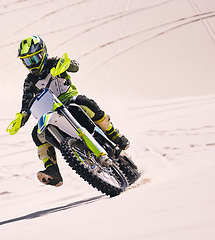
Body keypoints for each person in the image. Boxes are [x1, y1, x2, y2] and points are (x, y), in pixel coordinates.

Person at [8, 35, 130, 187]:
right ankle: (52, 170)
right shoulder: (29, 81)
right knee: (36, 134)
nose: (31, 64)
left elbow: (75, 66)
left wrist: (65, 65)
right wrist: (22, 117)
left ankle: (114, 134)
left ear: (43, 53)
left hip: (69, 100)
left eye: (34, 59)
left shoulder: (54, 62)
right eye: (27, 61)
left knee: (85, 103)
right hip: (51, 112)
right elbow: (26, 101)